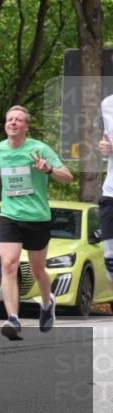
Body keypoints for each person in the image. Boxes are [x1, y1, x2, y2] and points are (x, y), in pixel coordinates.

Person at [0, 106, 73, 340]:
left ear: (26, 126)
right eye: (9, 119)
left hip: (37, 218)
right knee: (9, 264)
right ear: (5, 125)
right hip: (10, 216)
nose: (13, 123)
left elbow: (68, 176)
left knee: (37, 270)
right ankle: (13, 318)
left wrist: (49, 169)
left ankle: (47, 302)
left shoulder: (39, 149)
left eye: (18, 120)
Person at [97, 95, 113, 286]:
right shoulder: (107, 104)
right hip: (111, 191)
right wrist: (104, 148)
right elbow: (106, 140)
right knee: (110, 259)